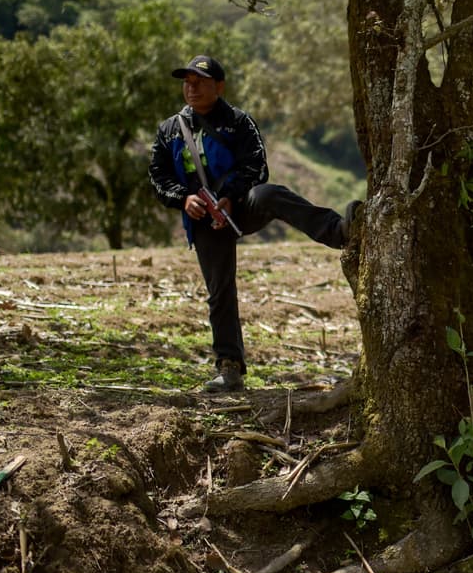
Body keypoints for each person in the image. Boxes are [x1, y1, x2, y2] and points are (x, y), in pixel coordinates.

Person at [149, 55, 361, 393]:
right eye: (186, 82)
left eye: (200, 81)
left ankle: (339, 232)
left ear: (218, 86)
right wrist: (183, 199)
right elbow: (158, 177)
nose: (191, 88)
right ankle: (229, 367)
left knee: (270, 194)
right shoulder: (170, 130)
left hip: (240, 206)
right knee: (220, 290)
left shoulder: (239, 123)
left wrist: (231, 195)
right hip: (202, 217)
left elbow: (257, 167)